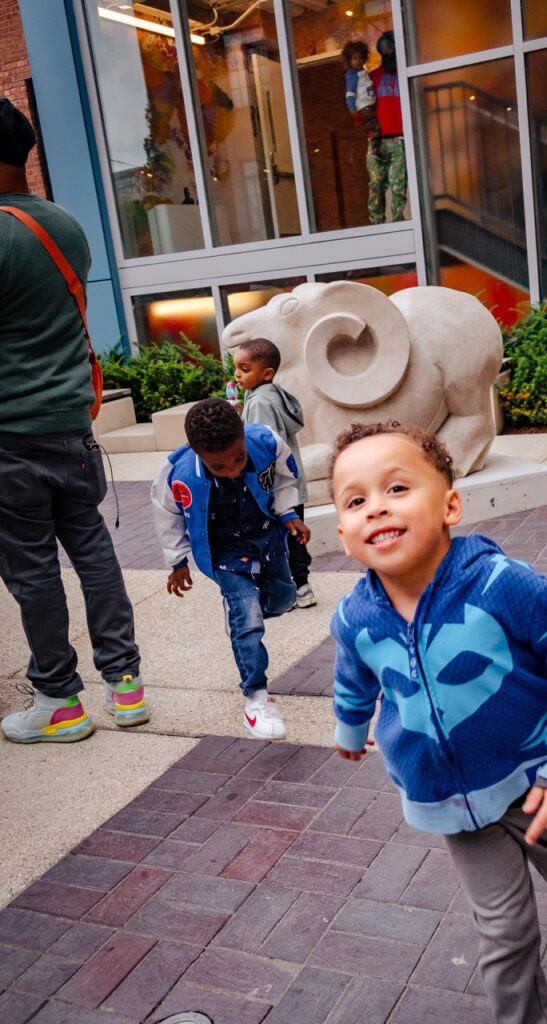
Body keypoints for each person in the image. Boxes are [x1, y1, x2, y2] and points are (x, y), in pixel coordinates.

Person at [329, 421, 547, 1024]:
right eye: (356, 500)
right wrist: (349, 726)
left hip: (538, 785)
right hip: (448, 799)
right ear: (343, 534)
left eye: (397, 488)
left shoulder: (504, 585)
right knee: (504, 934)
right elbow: (355, 676)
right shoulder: (353, 616)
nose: (377, 508)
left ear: (450, 505)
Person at [0, 97, 148, 744]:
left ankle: (59, 699)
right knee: (92, 552)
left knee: (32, 570)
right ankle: (126, 685)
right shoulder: (64, 223)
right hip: (71, 427)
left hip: (11, 437)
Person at [151, 397, 310, 739]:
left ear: (243, 432)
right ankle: (256, 698)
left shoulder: (266, 442)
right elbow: (167, 514)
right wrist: (177, 560)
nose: (233, 470)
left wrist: (287, 512)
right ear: (197, 453)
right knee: (248, 619)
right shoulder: (178, 473)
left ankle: (241, 617)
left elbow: (285, 478)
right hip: (223, 552)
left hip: (266, 539)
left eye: (239, 458)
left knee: (284, 599)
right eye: (219, 467)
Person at [232, 338, 316, 609]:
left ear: (267, 373)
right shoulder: (273, 394)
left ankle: (291, 591)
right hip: (290, 481)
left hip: (274, 486)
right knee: (295, 535)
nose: (237, 374)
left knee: (278, 539)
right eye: (236, 368)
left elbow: (262, 446)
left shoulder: (259, 402)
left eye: (245, 369)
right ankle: (302, 586)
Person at [367, 31, 407, 225]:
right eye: (385, 48)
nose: (388, 51)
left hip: (400, 138)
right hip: (377, 139)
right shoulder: (372, 77)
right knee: (376, 184)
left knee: (398, 185)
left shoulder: (406, 75)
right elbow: (363, 106)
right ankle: (377, 226)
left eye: (391, 47)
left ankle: (399, 221)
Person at [342, 40, 382, 158]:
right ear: (349, 61)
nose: (359, 61)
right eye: (355, 59)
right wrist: (352, 110)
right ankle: (375, 152)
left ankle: (376, 149)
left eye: (360, 58)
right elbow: (350, 94)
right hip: (365, 107)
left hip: (370, 105)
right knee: (375, 128)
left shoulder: (363, 73)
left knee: (374, 126)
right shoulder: (352, 75)